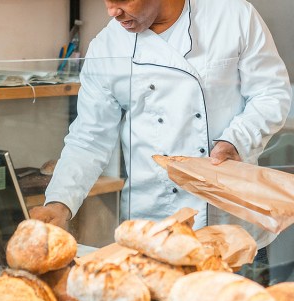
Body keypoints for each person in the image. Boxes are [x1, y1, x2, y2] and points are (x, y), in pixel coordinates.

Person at [31, 0, 291, 266]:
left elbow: (271, 95)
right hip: (153, 228)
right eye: (107, 0)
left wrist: (236, 140)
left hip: (231, 229)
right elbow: (89, 138)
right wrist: (59, 202)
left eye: (123, 0)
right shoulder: (108, 46)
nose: (113, 12)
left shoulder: (232, 15)